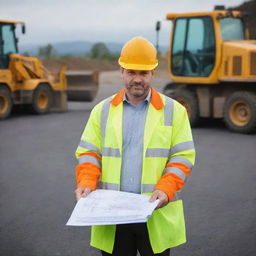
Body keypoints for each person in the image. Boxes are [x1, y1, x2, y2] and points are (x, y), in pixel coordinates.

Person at [74, 37, 196, 256]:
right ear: (121, 71)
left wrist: (166, 189)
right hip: (113, 214)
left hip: (154, 212)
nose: (137, 79)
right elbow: (89, 152)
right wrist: (86, 181)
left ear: (153, 73)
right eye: (131, 72)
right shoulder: (101, 111)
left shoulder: (174, 111)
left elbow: (182, 156)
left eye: (143, 73)